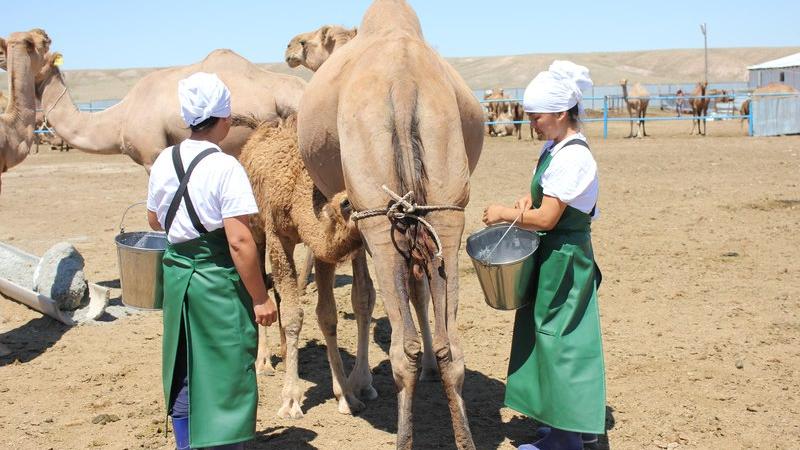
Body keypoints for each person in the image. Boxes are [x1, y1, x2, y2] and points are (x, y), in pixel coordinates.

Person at [147, 72, 278, 450]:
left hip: (178, 280)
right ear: (222, 119)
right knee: (227, 368)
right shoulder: (226, 167)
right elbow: (239, 241)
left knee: (183, 364)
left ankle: (186, 445)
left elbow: (155, 221)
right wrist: (259, 297)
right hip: (216, 282)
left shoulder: (163, 160)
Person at [482, 61, 605, 450]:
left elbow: (549, 218)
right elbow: (542, 202)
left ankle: (566, 440)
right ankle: (563, 422)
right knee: (552, 337)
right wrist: (525, 203)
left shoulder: (573, 157)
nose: (531, 122)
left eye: (537, 116)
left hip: (564, 257)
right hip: (555, 255)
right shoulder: (555, 148)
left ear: (561, 113)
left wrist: (506, 213)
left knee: (560, 342)